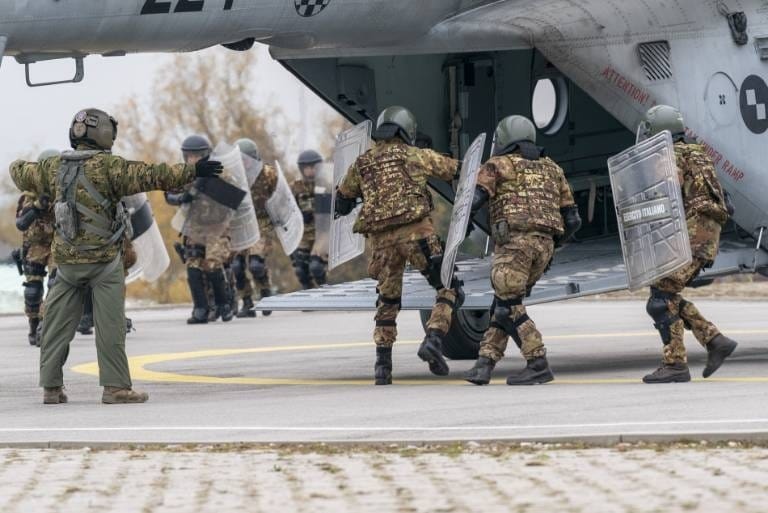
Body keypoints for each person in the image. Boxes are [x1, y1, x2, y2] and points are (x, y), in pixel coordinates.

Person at [9, 108, 222, 404]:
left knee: (56, 328)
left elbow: (18, 171)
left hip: (67, 265)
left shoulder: (54, 167)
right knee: (110, 327)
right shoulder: (112, 168)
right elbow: (153, 175)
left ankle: (51, 388)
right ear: (105, 136)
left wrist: (28, 168)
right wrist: (193, 171)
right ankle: (116, 388)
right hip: (104, 263)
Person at [335, 106, 464, 385]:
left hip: (381, 244)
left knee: (388, 301)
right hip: (417, 236)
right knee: (449, 288)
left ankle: (383, 367)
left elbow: (341, 200)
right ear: (407, 129)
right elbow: (456, 170)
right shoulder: (414, 155)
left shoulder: (362, 163)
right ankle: (433, 340)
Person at [464, 115, 581, 386]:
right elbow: (573, 221)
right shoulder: (552, 167)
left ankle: (537, 362)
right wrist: (551, 248)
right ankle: (484, 364)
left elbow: (474, 201)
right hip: (545, 247)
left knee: (511, 304)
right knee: (503, 304)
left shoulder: (496, 165)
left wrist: (461, 231)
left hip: (514, 244)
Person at [638, 105, 737, 383]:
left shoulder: (667, 157)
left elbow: (661, 199)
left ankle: (675, 365)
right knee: (664, 295)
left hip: (691, 235)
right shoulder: (699, 154)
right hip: (707, 236)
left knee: (659, 301)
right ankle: (715, 341)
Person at [165, 135, 234, 325]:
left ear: (205, 156)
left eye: (196, 156)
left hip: (217, 228)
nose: (191, 160)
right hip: (194, 228)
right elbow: (168, 193)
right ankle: (200, 308)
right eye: (188, 156)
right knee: (193, 267)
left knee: (212, 265)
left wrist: (205, 186)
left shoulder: (220, 172)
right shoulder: (183, 174)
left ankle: (223, 303)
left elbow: (232, 199)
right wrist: (180, 198)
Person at [13, 149, 58, 346]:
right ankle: (33, 323)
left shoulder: (63, 189)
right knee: (32, 291)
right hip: (35, 245)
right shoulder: (30, 193)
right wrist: (38, 207)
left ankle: (45, 325)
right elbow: (21, 223)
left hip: (57, 243)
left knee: (56, 285)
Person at [232, 138, 278, 318]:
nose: (243, 163)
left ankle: (266, 294)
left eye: (246, 159)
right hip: (240, 223)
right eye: (240, 159)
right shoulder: (231, 176)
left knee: (256, 264)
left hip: (262, 223)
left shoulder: (268, 174)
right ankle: (247, 302)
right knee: (236, 266)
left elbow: (281, 197)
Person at [291, 150, 327, 289]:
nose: (310, 171)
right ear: (301, 169)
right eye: (307, 168)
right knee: (301, 269)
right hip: (304, 233)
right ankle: (309, 292)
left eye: (313, 167)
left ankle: (324, 291)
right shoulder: (295, 186)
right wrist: (299, 215)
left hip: (322, 233)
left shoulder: (326, 183)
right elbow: (287, 208)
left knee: (316, 266)